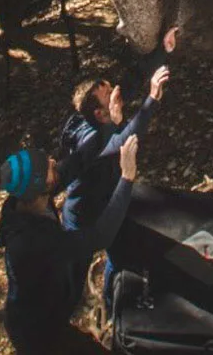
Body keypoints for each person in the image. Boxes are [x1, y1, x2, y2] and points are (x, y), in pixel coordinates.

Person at [54, 28, 177, 306]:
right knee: (72, 281)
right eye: (109, 95)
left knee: (120, 256)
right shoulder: (91, 140)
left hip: (109, 204)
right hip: (82, 218)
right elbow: (126, 139)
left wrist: (164, 50)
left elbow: (130, 82)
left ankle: (113, 309)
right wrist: (153, 98)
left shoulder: (103, 115)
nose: (115, 94)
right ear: (99, 113)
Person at [0, 135, 140, 355]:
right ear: (40, 186)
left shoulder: (26, 199)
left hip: (38, 318)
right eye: (47, 167)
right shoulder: (33, 241)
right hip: (38, 334)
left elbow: (76, 162)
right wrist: (127, 178)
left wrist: (107, 129)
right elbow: (100, 236)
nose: (53, 161)